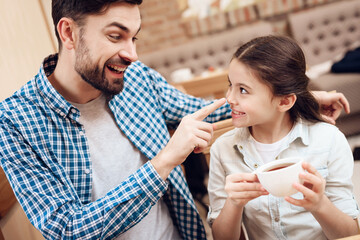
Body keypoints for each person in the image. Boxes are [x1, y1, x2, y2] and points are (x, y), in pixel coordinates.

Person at [0, 0, 351, 239]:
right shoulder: (15, 121)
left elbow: (211, 109)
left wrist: (294, 99)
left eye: (134, 37)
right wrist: (165, 161)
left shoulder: (137, 79)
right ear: (68, 33)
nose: (132, 54)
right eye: (115, 35)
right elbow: (66, 230)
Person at [207, 35, 360, 240]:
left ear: (285, 101)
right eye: (230, 85)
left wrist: (319, 205)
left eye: (243, 90)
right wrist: (233, 204)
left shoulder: (329, 140)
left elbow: (351, 234)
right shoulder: (223, 149)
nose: (229, 98)